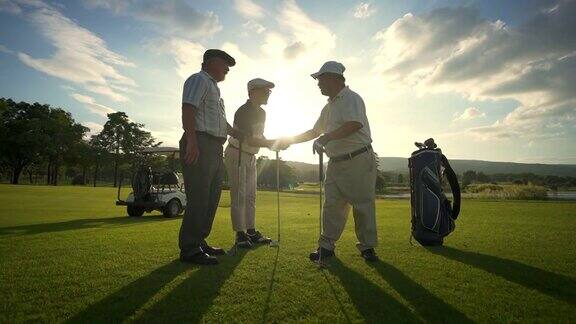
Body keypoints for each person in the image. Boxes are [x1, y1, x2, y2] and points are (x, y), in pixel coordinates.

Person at [278, 61, 379, 262]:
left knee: (362, 205)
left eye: (320, 79)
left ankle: (367, 248)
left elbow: (354, 124)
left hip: (358, 158)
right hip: (336, 162)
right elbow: (315, 132)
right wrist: (287, 140)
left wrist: (327, 138)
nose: (318, 84)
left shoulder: (352, 98)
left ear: (334, 78)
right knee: (331, 205)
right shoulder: (329, 107)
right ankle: (326, 247)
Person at [179, 49, 244, 265]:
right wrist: (192, 142)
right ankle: (189, 249)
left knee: (211, 197)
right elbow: (188, 109)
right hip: (200, 142)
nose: (227, 69)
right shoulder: (199, 79)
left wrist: (233, 132)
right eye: (224, 64)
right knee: (199, 197)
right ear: (211, 62)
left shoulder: (215, 89)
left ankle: (199, 241)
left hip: (215, 146)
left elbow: (219, 121)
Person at [225, 78, 286, 248]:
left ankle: (251, 232)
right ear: (252, 92)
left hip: (250, 155)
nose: (268, 94)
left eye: (269, 91)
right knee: (239, 195)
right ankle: (240, 234)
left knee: (251, 196)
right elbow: (250, 140)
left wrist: (273, 144)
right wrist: (272, 143)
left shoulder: (262, 113)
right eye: (265, 91)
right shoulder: (244, 111)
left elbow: (259, 137)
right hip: (236, 152)